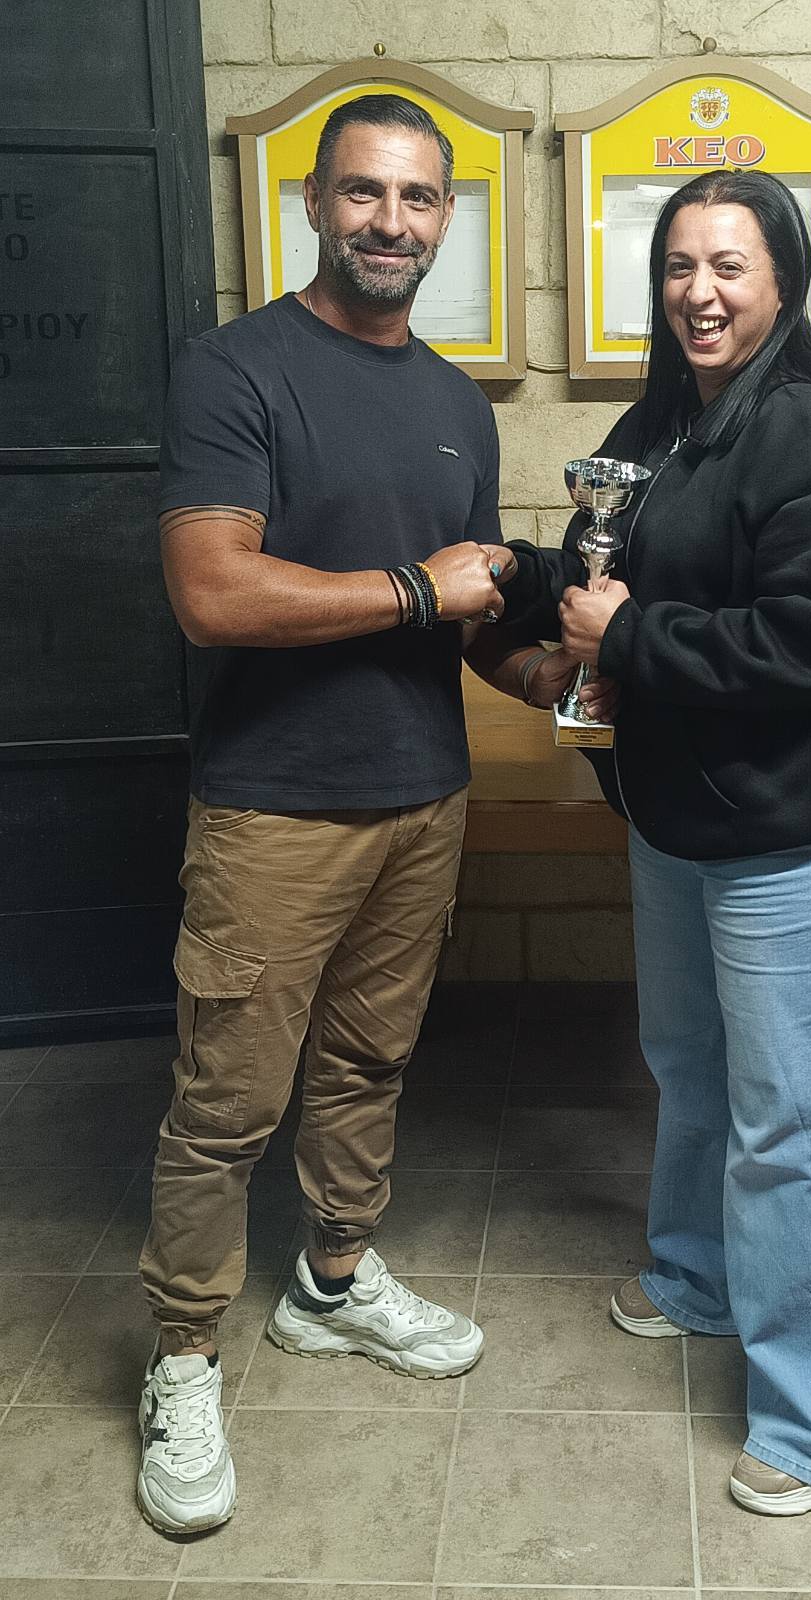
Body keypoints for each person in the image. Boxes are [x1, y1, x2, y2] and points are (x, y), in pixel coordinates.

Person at [471, 169, 811, 1515]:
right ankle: (703, 1274)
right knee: (691, 1063)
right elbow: (612, 572)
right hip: (683, 814)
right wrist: (522, 576)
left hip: (795, 825)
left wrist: (634, 637)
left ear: (781, 279)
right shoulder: (668, 415)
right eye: (678, 265)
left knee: (797, 1120)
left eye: (729, 265)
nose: (699, 292)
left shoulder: (808, 424)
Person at [137, 93, 521, 1536]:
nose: (390, 222)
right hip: (275, 810)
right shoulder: (234, 369)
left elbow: (466, 617)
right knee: (225, 1104)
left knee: (368, 1063)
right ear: (313, 202)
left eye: (417, 198)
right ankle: (182, 1357)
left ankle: (333, 1282)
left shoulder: (454, 402)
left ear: (444, 217)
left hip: (423, 795)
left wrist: (559, 663)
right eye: (364, 192)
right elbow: (212, 592)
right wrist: (423, 588)